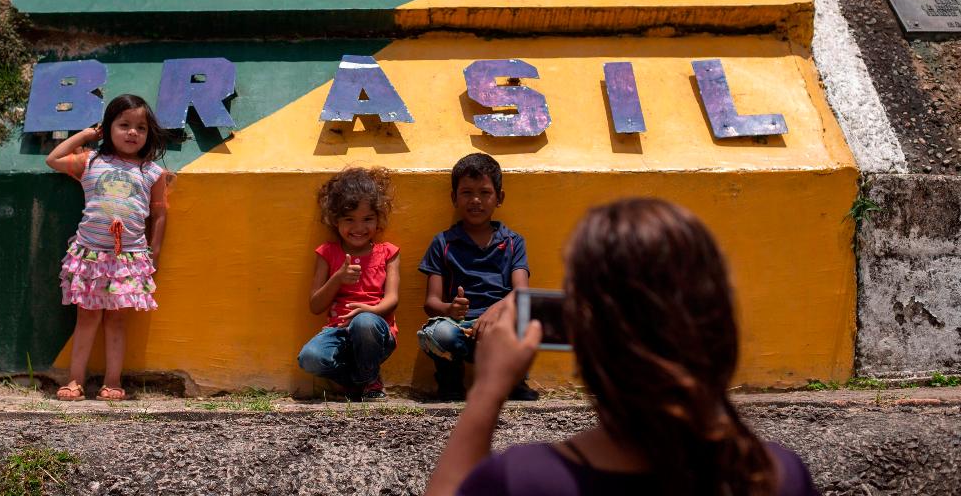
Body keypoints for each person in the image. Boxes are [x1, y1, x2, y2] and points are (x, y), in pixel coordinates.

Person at [426, 198, 821, 496]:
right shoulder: (779, 475)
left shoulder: (524, 479)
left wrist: (488, 390)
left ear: (579, 333)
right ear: (720, 325)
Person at [44, 94, 172, 402]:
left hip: (128, 259)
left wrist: (153, 250)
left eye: (140, 128)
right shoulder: (91, 161)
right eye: (123, 125)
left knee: (116, 321)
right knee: (87, 318)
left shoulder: (153, 172)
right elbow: (53, 159)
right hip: (90, 255)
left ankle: (113, 380)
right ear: (109, 128)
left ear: (148, 133)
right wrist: (87, 135)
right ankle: (75, 379)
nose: (132, 133)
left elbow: (160, 213)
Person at [417, 153, 537, 401]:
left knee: (525, 322)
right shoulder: (443, 243)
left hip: (499, 326)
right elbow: (431, 303)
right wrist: (450, 309)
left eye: (484, 193)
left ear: (499, 198)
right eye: (466, 193)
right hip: (458, 328)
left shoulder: (513, 242)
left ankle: (512, 380)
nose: (475, 201)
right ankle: (450, 380)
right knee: (438, 334)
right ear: (454, 198)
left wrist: (495, 311)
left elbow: (522, 294)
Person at [297, 166, 400, 400]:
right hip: (338, 331)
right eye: (349, 220)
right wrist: (338, 278)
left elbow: (393, 299)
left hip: (375, 332)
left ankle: (369, 377)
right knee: (309, 358)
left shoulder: (388, 253)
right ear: (335, 220)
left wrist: (369, 311)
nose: (358, 228)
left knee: (364, 323)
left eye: (367, 219)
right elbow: (315, 305)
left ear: (378, 218)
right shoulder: (327, 253)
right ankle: (358, 382)